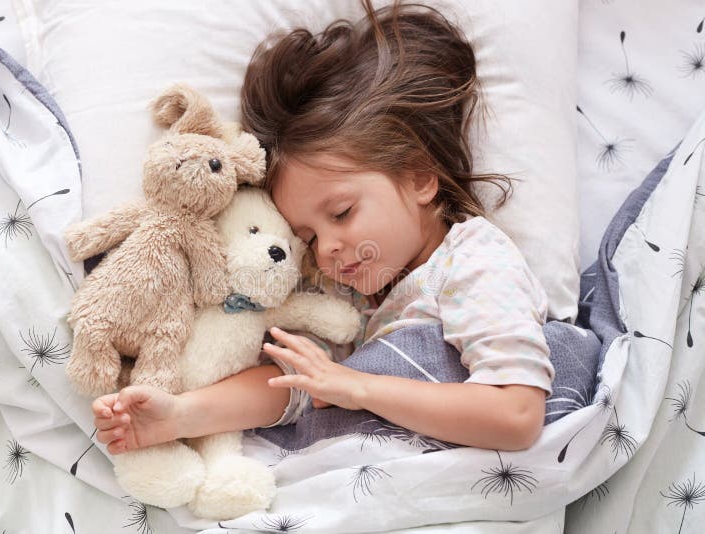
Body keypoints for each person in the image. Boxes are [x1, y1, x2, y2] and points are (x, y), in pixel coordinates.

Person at [92, 0, 554, 456]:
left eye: (342, 213)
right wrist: (180, 415)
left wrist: (358, 388)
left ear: (419, 179)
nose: (327, 249)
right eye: (307, 237)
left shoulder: (472, 259)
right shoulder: (350, 299)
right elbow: (292, 385)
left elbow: (516, 414)